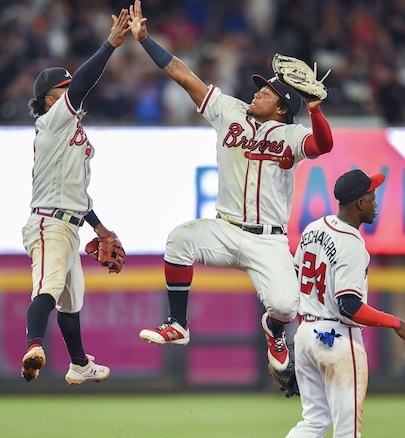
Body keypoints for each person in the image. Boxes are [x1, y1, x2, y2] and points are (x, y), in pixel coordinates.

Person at [129, 0, 334, 372]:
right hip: (225, 228)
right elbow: (183, 74)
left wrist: (316, 108)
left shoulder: (290, 135)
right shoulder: (229, 110)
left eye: (266, 92)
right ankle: (178, 323)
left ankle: (273, 329)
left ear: (283, 107)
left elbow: (324, 146)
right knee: (179, 239)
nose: (257, 92)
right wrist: (146, 41)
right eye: (259, 88)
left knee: (287, 306)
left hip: (268, 240)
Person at [20, 9, 131, 385]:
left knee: (71, 302)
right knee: (48, 289)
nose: (72, 92)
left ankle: (80, 364)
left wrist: (99, 229)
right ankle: (34, 346)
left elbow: (79, 196)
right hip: (48, 222)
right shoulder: (51, 123)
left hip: (68, 221)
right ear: (50, 101)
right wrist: (110, 44)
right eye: (63, 90)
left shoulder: (73, 132)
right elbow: (83, 84)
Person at [287, 169, 405, 437]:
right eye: (372, 198)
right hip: (336, 338)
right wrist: (396, 323)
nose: (376, 204)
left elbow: (294, 281)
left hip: (306, 333)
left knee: (314, 421)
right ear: (359, 203)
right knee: (347, 430)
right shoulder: (351, 245)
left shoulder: (313, 228)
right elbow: (349, 305)